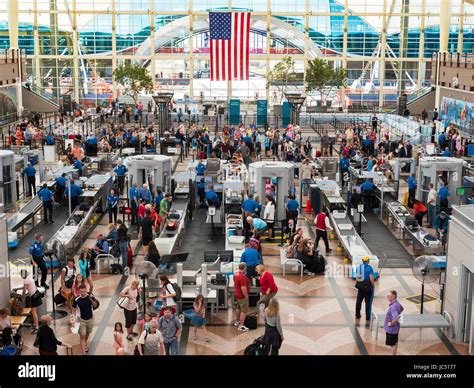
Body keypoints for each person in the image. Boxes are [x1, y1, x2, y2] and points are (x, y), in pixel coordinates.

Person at [72, 284, 94, 354]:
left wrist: (92, 299)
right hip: (81, 320)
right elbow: (73, 310)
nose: (83, 293)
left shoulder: (90, 296)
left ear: (86, 289)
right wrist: (73, 321)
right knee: (82, 335)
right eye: (81, 291)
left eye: (84, 291)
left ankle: (85, 342)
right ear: (79, 291)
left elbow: (95, 305)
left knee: (88, 332)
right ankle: (83, 351)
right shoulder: (76, 299)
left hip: (90, 318)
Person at [355, 256, 375, 322]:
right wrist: (373, 286)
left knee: (358, 302)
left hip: (360, 288)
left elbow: (357, 278)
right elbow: (371, 278)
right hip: (367, 289)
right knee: (368, 303)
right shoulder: (369, 268)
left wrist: (360, 284)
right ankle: (368, 317)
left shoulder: (359, 267)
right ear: (367, 261)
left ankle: (357, 315)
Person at [384, 290, 404, 355]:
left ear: (393, 296)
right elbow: (402, 308)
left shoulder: (393, 306)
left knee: (393, 345)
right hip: (396, 329)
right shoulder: (397, 303)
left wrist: (390, 324)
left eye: (389, 296)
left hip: (391, 330)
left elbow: (395, 318)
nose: (387, 297)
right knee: (395, 342)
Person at [233, 263, 250, 332]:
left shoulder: (236, 274)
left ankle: (237, 321)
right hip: (242, 295)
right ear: (244, 268)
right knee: (244, 311)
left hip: (236, 294)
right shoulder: (242, 277)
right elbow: (243, 288)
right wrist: (246, 296)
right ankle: (241, 326)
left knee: (238, 307)